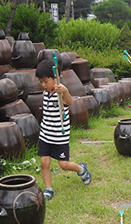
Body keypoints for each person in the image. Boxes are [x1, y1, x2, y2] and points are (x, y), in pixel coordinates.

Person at [36, 59, 91, 200]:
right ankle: (49, 189)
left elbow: (69, 101)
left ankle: (81, 169)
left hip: (59, 136)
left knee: (64, 165)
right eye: (41, 82)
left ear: (55, 78)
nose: (43, 85)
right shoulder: (45, 93)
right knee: (44, 162)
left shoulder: (60, 93)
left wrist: (65, 90)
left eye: (46, 81)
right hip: (45, 134)